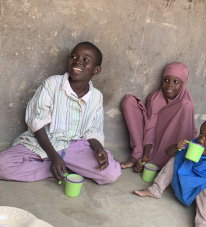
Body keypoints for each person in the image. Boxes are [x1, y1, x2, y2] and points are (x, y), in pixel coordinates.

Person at [0, 42, 121, 185]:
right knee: (2, 166)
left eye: (85, 59)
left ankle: (61, 165)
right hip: (43, 141)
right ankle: (58, 167)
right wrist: (53, 157)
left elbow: (93, 130)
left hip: (74, 146)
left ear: (96, 70)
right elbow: (36, 122)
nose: (78, 61)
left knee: (111, 173)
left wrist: (97, 147)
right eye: (74, 56)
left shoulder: (96, 96)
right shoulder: (52, 83)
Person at [134, 115, 206, 227]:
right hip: (188, 185)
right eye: (201, 134)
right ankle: (156, 189)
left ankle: (202, 225)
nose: (201, 140)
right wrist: (177, 147)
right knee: (176, 159)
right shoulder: (194, 144)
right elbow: (168, 152)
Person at [120, 61, 197, 172]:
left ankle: (169, 161)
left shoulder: (186, 104)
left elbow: (186, 135)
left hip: (169, 146)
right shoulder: (155, 98)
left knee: (185, 105)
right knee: (129, 101)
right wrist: (146, 154)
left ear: (183, 84)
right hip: (149, 139)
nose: (169, 84)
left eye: (176, 81)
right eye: (166, 80)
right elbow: (149, 127)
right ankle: (139, 153)